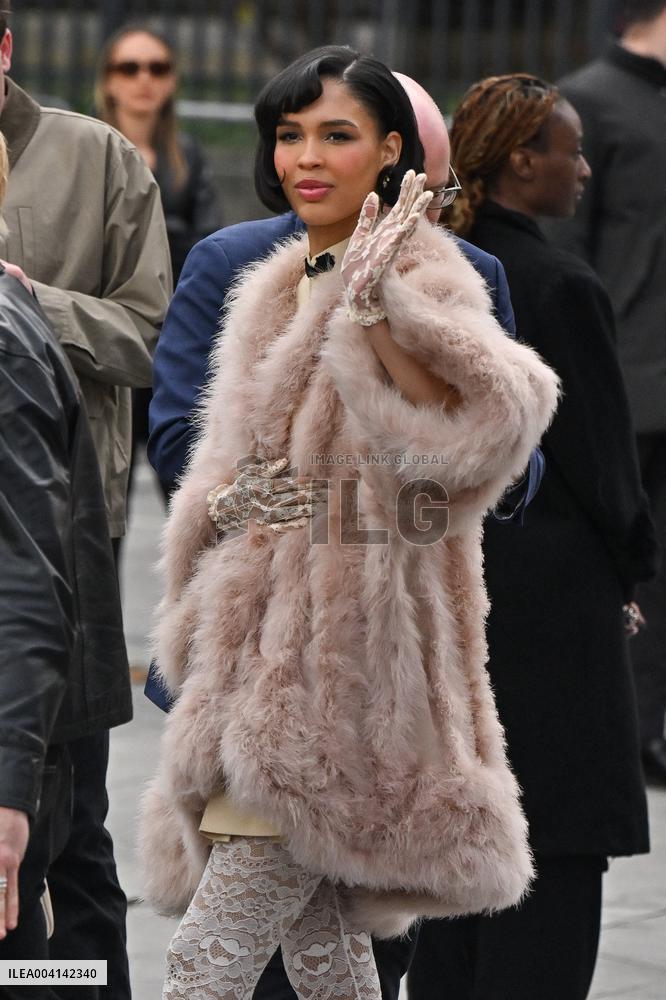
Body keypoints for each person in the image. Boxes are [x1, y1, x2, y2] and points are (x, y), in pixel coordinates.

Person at [138, 45, 558, 999]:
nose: (305, 157)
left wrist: (378, 314)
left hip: (348, 677)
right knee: (326, 961)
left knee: (204, 967)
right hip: (261, 658)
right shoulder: (273, 278)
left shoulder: (427, 273)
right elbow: (216, 464)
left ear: (391, 155)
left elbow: (479, 440)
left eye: (337, 135)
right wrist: (234, 510)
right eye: (290, 135)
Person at [408, 73, 658, 1000]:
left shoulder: (432, 265)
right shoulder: (559, 283)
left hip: (443, 579)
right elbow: (602, 460)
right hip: (550, 595)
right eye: (570, 148)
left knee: (459, 866)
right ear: (523, 159)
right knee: (555, 852)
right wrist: (633, 570)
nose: (585, 168)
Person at [0, 6, 171, 994]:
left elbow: (149, 334)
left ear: (8, 46)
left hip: (68, 536)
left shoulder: (97, 157)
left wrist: (28, 303)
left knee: (66, 822)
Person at [0, 131, 131, 995]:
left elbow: (24, 578)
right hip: (35, 704)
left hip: (37, 711)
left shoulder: (99, 159)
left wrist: (7, 783)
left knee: (67, 897)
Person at [546, 0, 666, 785]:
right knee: (623, 569)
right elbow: (562, 264)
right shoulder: (587, 99)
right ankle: (625, 735)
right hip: (626, 388)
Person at [94, 22, 222, 510]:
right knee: (105, 505)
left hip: (175, 344)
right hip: (110, 345)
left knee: (190, 500)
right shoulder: (90, 150)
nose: (143, 79)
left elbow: (206, 248)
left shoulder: (187, 155)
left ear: (171, 81)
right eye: (129, 68)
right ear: (108, 80)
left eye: (157, 67)